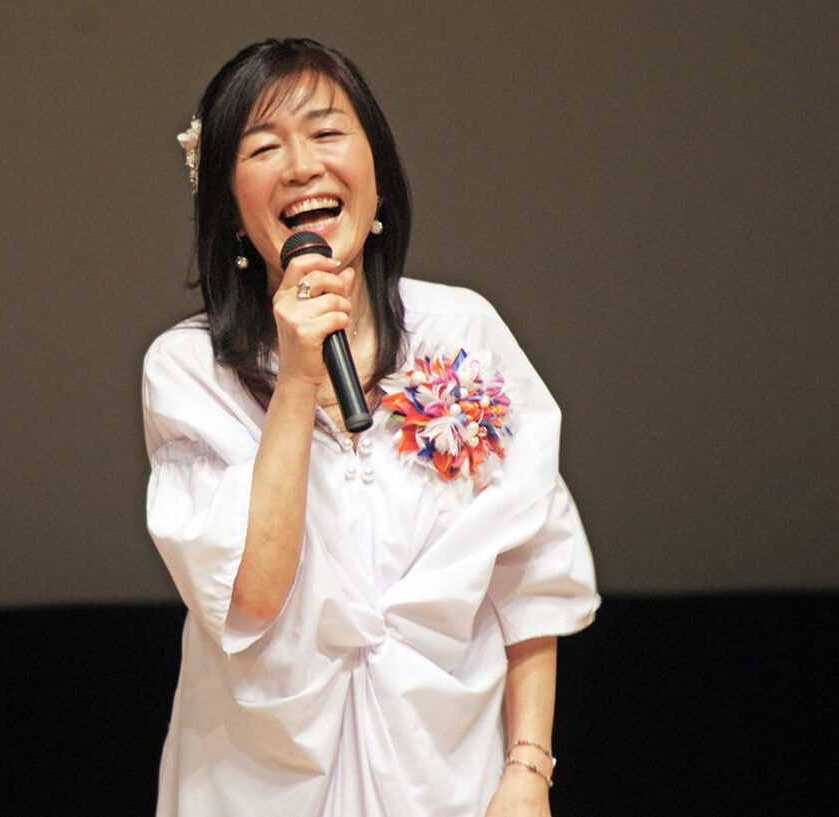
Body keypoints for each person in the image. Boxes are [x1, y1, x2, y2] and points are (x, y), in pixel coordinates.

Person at [142, 38, 599, 817]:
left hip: (449, 778)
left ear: (377, 172)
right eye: (264, 147)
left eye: (326, 133)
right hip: (260, 785)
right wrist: (296, 377)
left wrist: (528, 768)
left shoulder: (463, 332)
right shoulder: (190, 370)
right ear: (228, 207)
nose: (301, 167)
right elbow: (252, 593)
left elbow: (529, 574)